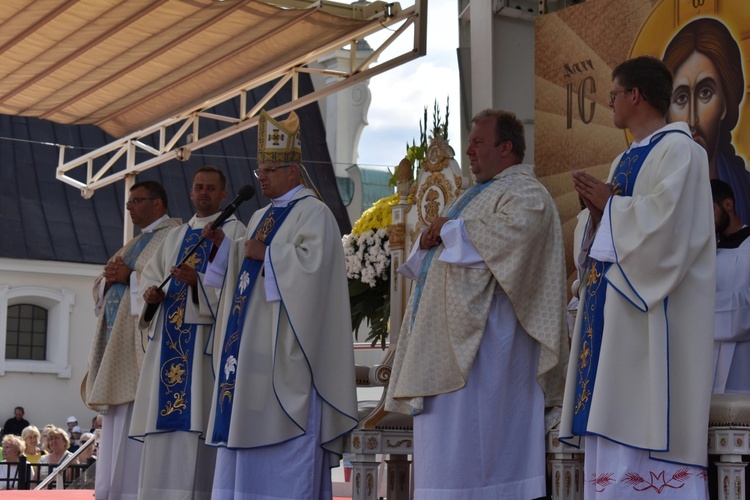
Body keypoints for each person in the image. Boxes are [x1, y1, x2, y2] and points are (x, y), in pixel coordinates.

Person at [384, 109, 568, 498]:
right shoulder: (474, 193)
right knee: (443, 457)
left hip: (492, 352)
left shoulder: (526, 192)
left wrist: (450, 230)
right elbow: (437, 250)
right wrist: (437, 235)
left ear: (506, 148)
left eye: (477, 142)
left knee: (481, 452)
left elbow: (510, 240)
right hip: (446, 344)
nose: (468, 151)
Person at [561, 56, 715, 497]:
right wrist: (595, 216)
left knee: (643, 413)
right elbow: (608, 231)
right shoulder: (622, 159)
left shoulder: (682, 152)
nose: (609, 102)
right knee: (611, 410)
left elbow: (667, 231)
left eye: (613, 94)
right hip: (612, 320)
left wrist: (612, 207)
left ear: (635, 95)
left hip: (653, 320)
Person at [201, 110, 357, 499]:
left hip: (289, 358)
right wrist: (226, 250)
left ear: (294, 171)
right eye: (260, 170)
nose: (263, 176)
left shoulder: (314, 213)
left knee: (286, 454)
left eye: (271, 169)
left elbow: (313, 272)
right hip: (250, 355)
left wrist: (268, 254)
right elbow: (246, 263)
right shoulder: (257, 217)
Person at [130, 166, 246, 500]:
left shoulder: (236, 234)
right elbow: (151, 277)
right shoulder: (176, 236)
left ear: (224, 194)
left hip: (205, 351)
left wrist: (197, 285)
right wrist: (153, 295)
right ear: (191, 192)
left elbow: (238, 288)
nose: (204, 193)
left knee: (201, 417)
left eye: (211, 188)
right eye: (199, 188)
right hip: (167, 343)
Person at [83, 179, 180, 500]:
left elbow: (164, 284)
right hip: (115, 346)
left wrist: (130, 278)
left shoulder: (172, 237)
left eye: (137, 201)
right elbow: (103, 281)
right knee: (113, 428)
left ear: (158, 203)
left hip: (141, 348)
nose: (130, 208)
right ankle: (110, 490)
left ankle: (130, 493)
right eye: (129, 202)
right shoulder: (134, 243)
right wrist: (109, 281)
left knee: (134, 423)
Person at [663, 17, 750, 223]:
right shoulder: (653, 192)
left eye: (705, 93)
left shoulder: (746, 188)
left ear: (725, 104)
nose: (692, 119)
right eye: (681, 98)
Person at [711, 179, 750, 394]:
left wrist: (706, 306)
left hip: (743, 364)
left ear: (728, 204)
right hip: (707, 364)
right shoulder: (705, 252)